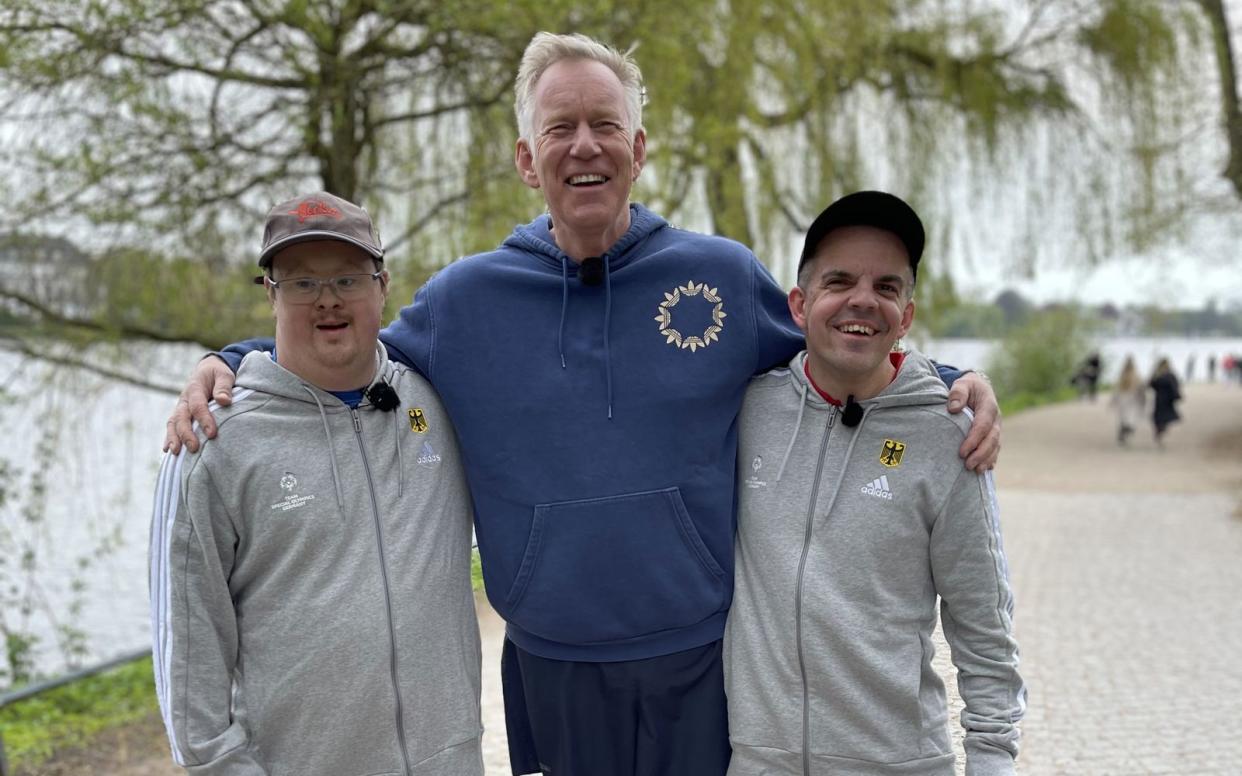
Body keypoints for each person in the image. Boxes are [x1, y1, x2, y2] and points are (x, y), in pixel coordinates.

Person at [163, 34, 1002, 776]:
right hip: (552, 666)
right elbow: (343, 348)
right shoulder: (466, 301)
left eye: (604, 124)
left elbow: (843, 343)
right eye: (559, 129)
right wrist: (234, 359)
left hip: (700, 660)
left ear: (638, 148)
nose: (584, 145)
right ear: (528, 160)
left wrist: (943, 374)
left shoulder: (722, 275)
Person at [149, 192, 483, 775]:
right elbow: (188, 655)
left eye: (349, 279)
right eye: (301, 283)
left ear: (382, 286)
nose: (328, 299)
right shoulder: (213, 444)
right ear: (270, 294)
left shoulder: (440, 398)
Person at [724, 191, 1024, 776]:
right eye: (839, 282)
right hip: (759, 762)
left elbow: (985, 631)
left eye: (887, 287)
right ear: (799, 304)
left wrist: (992, 763)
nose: (863, 300)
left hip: (899, 762)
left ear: (906, 316)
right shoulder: (744, 408)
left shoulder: (948, 434)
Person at [1111, 355, 1145, 446]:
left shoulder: (1125, 375)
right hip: (1130, 400)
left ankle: (1124, 432)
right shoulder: (1133, 376)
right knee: (1128, 419)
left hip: (1126, 400)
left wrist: (1114, 400)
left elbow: (1116, 390)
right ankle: (1124, 432)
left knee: (1125, 418)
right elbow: (1140, 389)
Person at [1149, 357, 1182, 448]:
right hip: (1167, 400)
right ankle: (1160, 431)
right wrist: (1177, 396)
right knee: (1165, 418)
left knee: (1160, 418)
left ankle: (1159, 431)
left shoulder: (1157, 375)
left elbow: (1151, 384)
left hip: (1160, 399)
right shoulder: (1170, 375)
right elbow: (1175, 387)